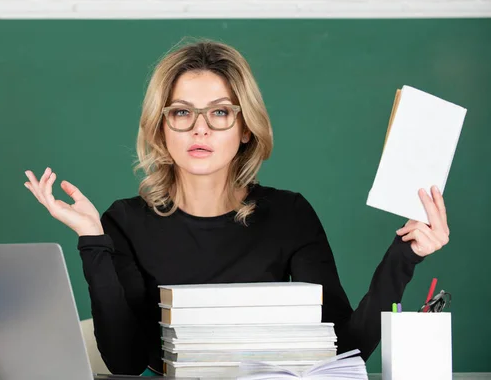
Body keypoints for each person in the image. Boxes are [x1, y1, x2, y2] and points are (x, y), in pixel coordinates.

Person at [23, 40, 450, 376]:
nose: (200, 128)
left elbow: (342, 349)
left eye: (221, 113)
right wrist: (92, 241)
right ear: (160, 129)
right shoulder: (124, 221)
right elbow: (124, 362)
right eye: (182, 113)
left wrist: (405, 256)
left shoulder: (289, 215)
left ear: (246, 128)